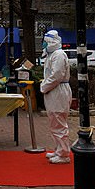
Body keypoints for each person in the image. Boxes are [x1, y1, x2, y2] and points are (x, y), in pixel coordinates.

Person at [40, 30, 72, 164]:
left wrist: (43, 86)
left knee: (59, 122)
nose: (43, 44)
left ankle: (64, 154)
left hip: (58, 91)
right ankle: (59, 149)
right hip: (54, 91)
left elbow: (57, 76)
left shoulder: (58, 54)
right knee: (55, 122)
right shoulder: (52, 55)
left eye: (45, 42)